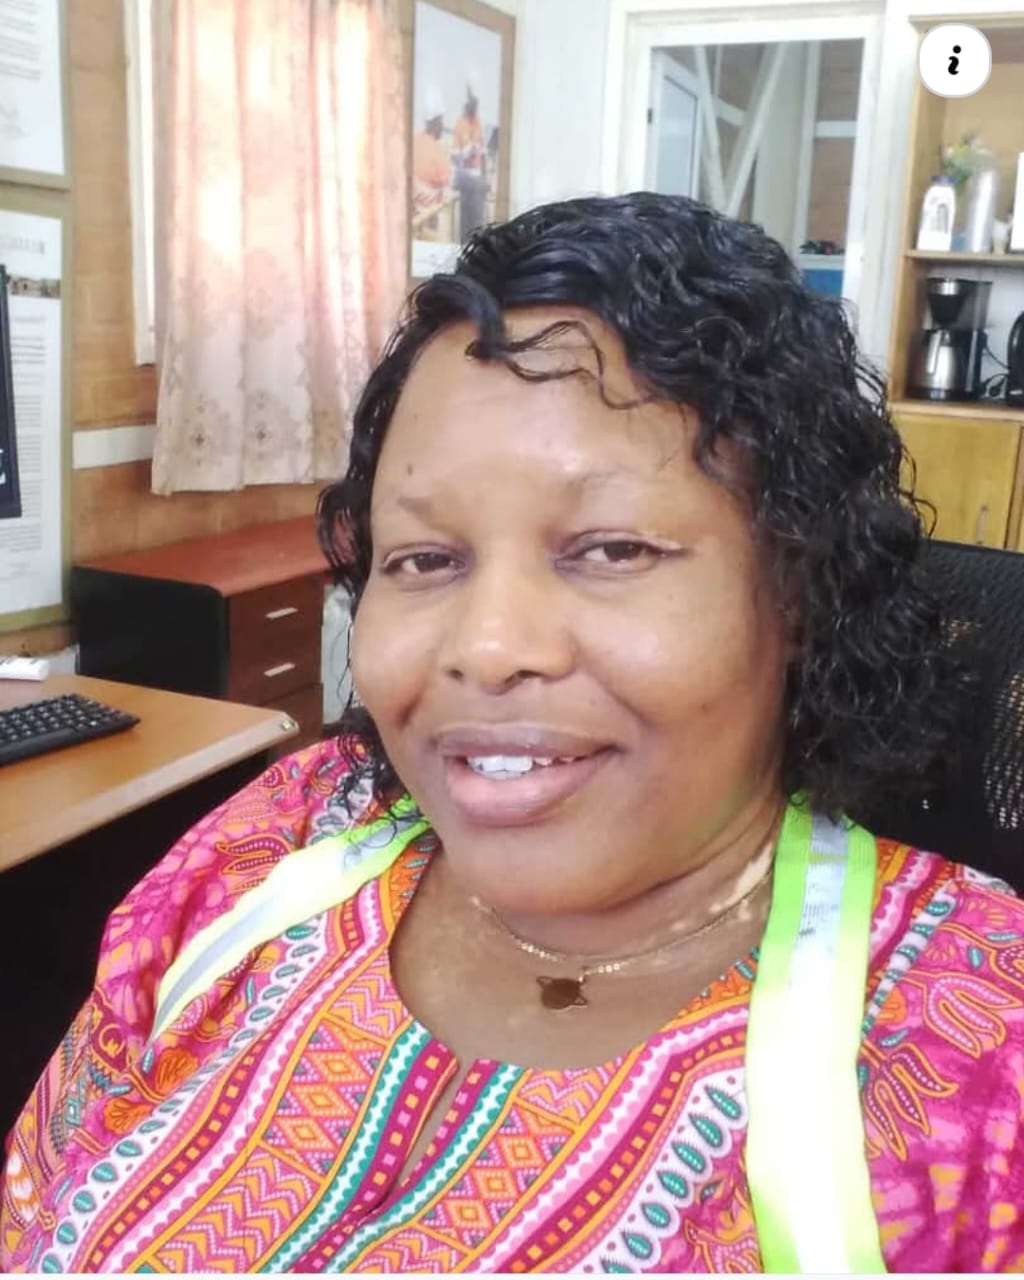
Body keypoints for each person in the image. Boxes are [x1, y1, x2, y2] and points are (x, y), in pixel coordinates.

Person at [2, 194, 1023, 1273]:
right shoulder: (282, 834)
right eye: (424, 560)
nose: (487, 649)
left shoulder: (975, 1044)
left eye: (613, 549)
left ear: (800, 588)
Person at [451, 72, 488, 242]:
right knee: (466, 227)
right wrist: (468, 151)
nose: (475, 106)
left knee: (479, 225)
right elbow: (455, 157)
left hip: (478, 184)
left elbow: (483, 154)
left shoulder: (479, 122)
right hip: (466, 183)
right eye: (473, 103)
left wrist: (485, 179)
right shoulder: (460, 123)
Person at [412, 87, 451, 229]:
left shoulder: (414, 141)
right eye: (442, 120)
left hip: (416, 215)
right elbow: (444, 189)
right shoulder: (437, 150)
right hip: (430, 217)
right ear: (437, 122)